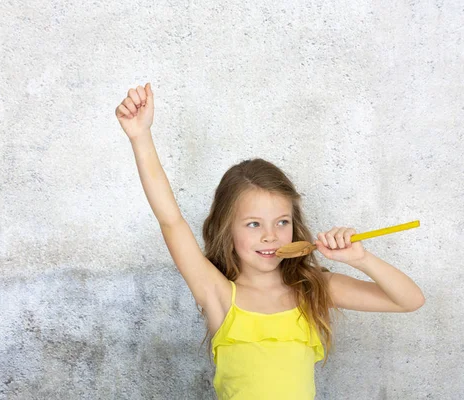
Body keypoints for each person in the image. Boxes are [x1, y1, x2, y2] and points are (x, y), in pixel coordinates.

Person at [115, 83, 425, 399]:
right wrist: (141, 137)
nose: (270, 236)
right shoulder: (218, 294)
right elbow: (171, 220)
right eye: (253, 224)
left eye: (282, 222)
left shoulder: (314, 289)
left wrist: (361, 260)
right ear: (228, 229)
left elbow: (410, 300)